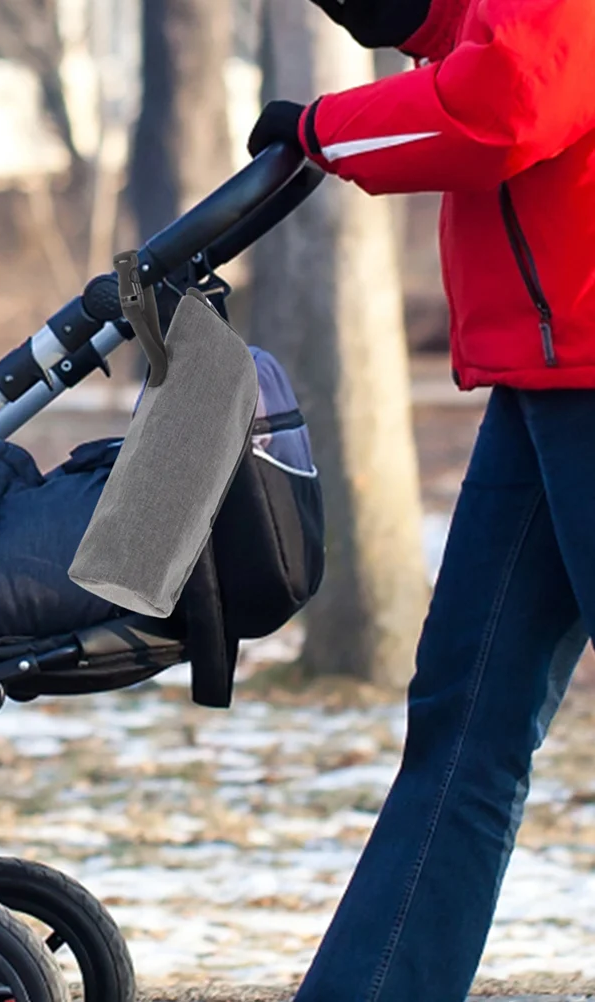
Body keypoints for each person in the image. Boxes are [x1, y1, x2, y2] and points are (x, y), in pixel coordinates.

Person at [246, 0, 595, 999]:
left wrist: (326, 129)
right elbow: (499, 39)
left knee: (471, 727)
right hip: (551, 374)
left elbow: (510, 102)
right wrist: (427, 14)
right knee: (466, 718)